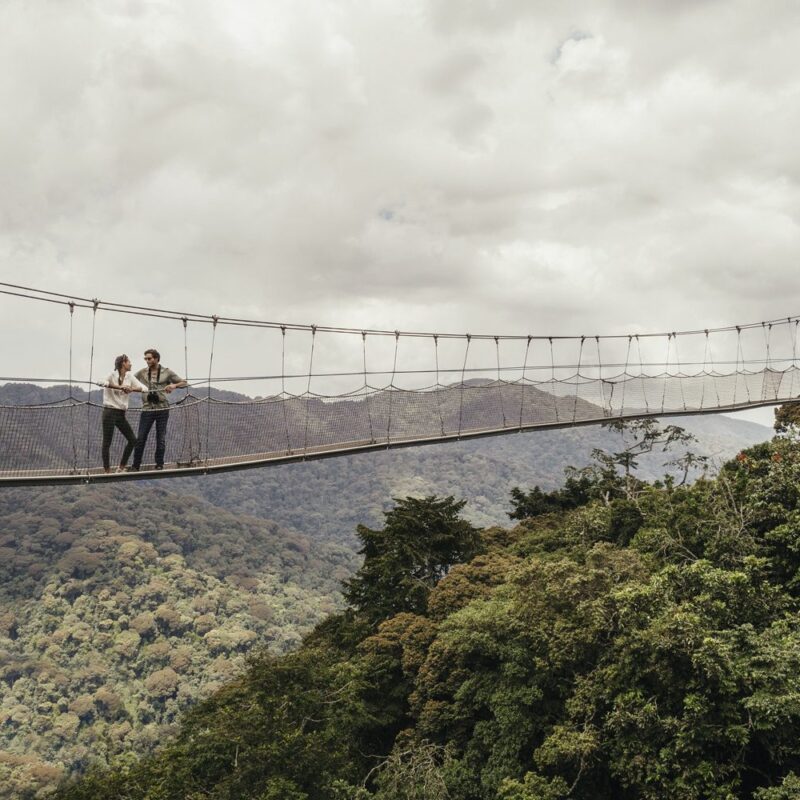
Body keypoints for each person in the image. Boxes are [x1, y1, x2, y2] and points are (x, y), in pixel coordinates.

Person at [130, 348, 187, 471]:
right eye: (145, 358)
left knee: (160, 438)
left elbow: (184, 383)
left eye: (149, 358)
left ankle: (159, 464)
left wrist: (174, 385)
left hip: (162, 408)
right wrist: (128, 387)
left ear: (156, 359)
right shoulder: (142, 372)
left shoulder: (167, 372)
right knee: (140, 438)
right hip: (147, 409)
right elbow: (130, 380)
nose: (147, 361)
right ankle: (135, 465)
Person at [99, 354, 147, 473]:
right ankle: (107, 471)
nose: (131, 364)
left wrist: (131, 389)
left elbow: (144, 388)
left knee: (133, 440)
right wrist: (120, 387)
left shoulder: (130, 377)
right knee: (107, 442)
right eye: (129, 361)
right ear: (123, 363)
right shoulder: (112, 374)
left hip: (121, 414)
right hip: (109, 412)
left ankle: (121, 467)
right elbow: (100, 382)